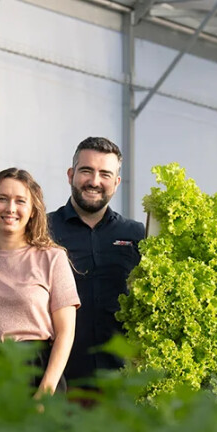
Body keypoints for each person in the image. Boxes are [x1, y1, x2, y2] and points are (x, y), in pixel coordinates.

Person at [47, 137, 145, 384]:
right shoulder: (42, 230)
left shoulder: (136, 235)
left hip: (121, 382)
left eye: (105, 174)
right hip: (60, 380)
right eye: (86, 171)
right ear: (70, 174)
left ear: (117, 182)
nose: (94, 181)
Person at [0, 168, 80, 396]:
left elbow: (65, 334)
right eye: (2, 199)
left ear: (33, 210)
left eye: (20, 201)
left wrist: (45, 391)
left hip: (36, 371)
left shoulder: (52, 258)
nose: (10, 208)